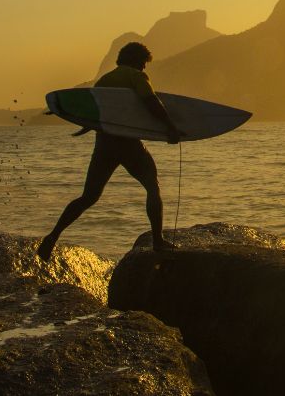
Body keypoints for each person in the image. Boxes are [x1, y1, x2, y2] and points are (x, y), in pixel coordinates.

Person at [37, 41, 181, 260]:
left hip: (104, 144)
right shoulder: (136, 77)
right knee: (152, 186)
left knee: (89, 196)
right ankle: (158, 241)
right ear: (136, 61)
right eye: (143, 63)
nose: (144, 68)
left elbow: (96, 113)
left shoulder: (104, 80)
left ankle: (53, 236)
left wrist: (67, 112)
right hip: (128, 143)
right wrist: (170, 128)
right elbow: (151, 102)